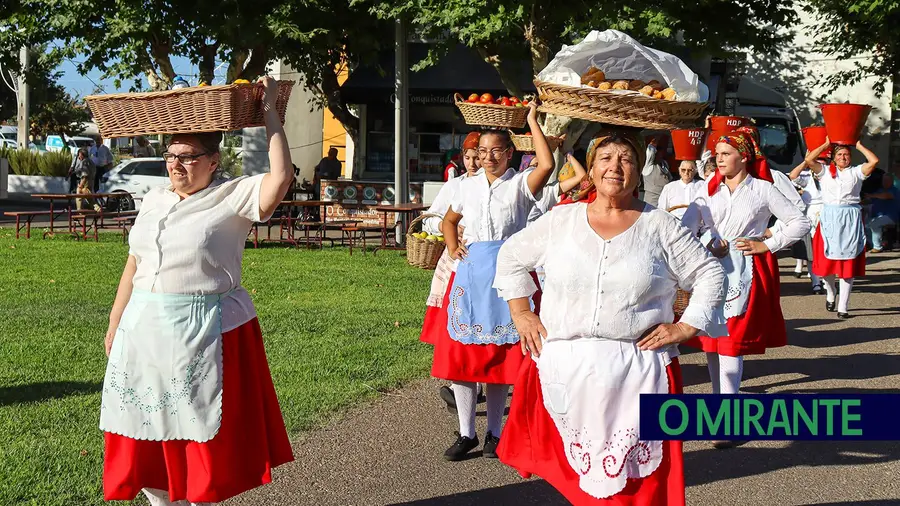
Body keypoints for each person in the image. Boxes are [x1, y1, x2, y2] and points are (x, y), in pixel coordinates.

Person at [493, 130, 726, 506]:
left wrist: (686, 326)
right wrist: (521, 311)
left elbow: (711, 274)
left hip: (637, 369)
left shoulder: (660, 226)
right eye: (605, 158)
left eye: (626, 159)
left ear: (638, 170)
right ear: (590, 167)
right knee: (576, 484)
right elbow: (511, 257)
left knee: (633, 491)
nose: (615, 167)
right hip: (565, 369)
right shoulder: (561, 220)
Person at [100, 77, 294, 506]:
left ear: (213, 159)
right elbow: (135, 263)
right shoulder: (153, 200)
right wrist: (115, 323)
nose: (176, 166)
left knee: (193, 435)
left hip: (201, 331)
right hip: (144, 330)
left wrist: (269, 114)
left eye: (188, 158)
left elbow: (281, 178)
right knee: (142, 429)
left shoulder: (231, 196)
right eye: (170, 156)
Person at [434, 103, 554, 461]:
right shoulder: (465, 187)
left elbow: (546, 165)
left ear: (510, 153)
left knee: (499, 359)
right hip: (471, 277)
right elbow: (448, 221)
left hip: (509, 275)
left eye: (495, 151)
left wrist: (532, 121)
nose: (488, 158)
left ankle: (495, 434)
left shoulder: (519, 184)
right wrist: (453, 246)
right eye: (482, 151)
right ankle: (467, 432)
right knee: (465, 358)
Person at [682, 132, 809, 448]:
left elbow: (799, 222)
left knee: (731, 341)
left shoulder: (763, 189)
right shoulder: (708, 191)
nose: (719, 158)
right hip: (711, 269)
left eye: (725, 153)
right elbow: (684, 228)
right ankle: (719, 408)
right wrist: (706, 241)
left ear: (744, 156)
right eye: (717, 154)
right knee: (713, 341)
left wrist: (767, 243)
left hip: (745, 270)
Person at [420, 131, 483, 412]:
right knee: (456, 322)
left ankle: (477, 384)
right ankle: (463, 385)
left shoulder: (497, 185)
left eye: (477, 157)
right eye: (468, 158)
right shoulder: (455, 186)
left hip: (484, 260)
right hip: (456, 260)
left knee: (482, 322)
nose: (473, 163)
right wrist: (451, 230)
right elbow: (431, 221)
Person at [791, 139, 879, 318]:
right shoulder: (824, 172)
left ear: (851, 158)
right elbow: (809, 160)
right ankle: (831, 292)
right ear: (833, 158)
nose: (843, 157)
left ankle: (843, 306)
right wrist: (825, 145)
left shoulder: (856, 172)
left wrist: (859, 145)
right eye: (839, 154)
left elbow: (874, 162)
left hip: (850, 219)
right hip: (830, 218)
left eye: (846, 154)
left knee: (848, 264)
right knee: (826, 263)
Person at [790, 150, 828, 294]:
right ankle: (815, 282)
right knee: (811, 252)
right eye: (817, 162)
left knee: (826, 251)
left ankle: (826, 278)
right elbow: (793, 176)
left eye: (823, 162)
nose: (820, 166)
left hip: (827, 215)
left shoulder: (830, 176)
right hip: (810, 216)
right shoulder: (806, 176)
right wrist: (807, 161)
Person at [864, 172, 897, 253]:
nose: (885, 182)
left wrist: (872, 196)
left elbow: (887, 196)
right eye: (884, 180)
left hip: (891, 216)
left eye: (887, 180)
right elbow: (869, 200)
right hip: (877, 216)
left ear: (891, 181)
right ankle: (872, 245)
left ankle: (877, 247)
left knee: (874, 224)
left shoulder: (894, 190)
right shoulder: (880, 190)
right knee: (865, 225)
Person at [641, 134, 673, 207]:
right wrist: (654, 141)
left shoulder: (664, 164)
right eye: (658, 153)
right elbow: (650, 152)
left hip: (665, 200)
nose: (660, 155)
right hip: (651, 202)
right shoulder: (648, 166)